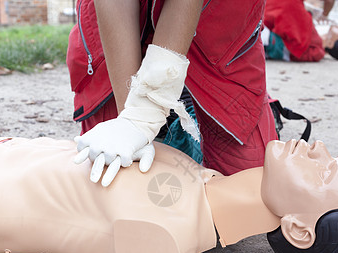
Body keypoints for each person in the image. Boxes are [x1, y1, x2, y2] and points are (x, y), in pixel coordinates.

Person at [0, 137, 338, 253]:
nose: (318, 151)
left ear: (298, 230)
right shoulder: (201, 178)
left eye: (324, 172)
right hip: (6, 154)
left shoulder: (163, 245)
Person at [67, 0, 278, 187]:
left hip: (218, 31)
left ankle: (182, 105)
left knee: (253, 184)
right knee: (111, 174)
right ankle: (167, 119)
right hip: (127, 29)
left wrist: (144, 113)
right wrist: (132, 118)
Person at [262, 0, 338, 62]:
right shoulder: (314, 41)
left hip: (269, 40)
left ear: (331, 43)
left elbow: (290, 9)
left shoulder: (316, 48)